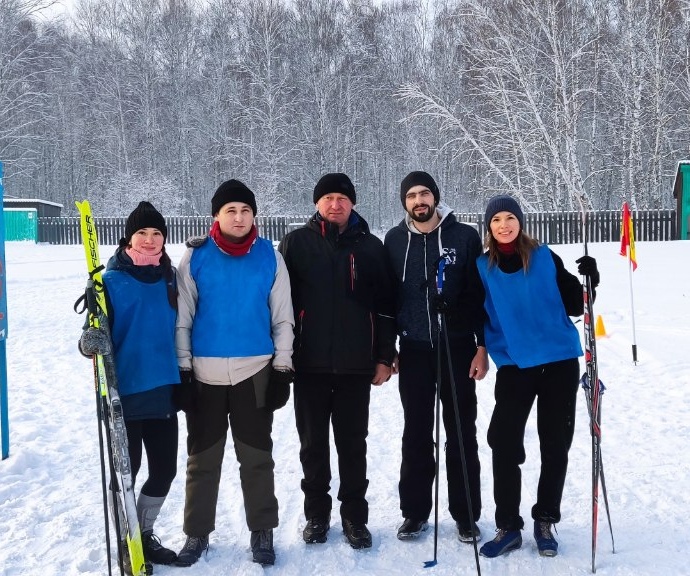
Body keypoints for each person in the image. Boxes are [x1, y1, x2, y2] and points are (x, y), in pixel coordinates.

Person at [174, 179, 294, 567]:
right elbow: (183, 319)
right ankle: (196, 533)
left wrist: (282, 367)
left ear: (254, 215)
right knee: (202, 458)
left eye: (245, 210)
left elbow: (283, 317)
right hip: (205, 374)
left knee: (257, 457)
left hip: (255, 371)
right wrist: (184, 370)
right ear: (216, 216)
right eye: (231, 210)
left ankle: (262, 530)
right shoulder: (195, 258)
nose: (239, 217)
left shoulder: (270, 257)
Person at [475, 195, 599, 558]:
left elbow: (577, 305)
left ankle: (545, 519)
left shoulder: (545, 257)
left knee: (554, 442)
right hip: (515, 364)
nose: (503, 224)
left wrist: (589, 279)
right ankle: (508, 526)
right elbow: (475, 314)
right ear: (489, 226)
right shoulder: (483, 267)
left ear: (520, 221)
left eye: (509, 217)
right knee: (503, 441)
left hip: (558, 360)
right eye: (496, 219)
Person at [277, 172, 397, 550]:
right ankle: (317, 515)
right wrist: (284, 354)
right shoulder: (295, 243)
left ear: (353, 203)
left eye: (342, 198)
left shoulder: (371, 248)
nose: (335, 204)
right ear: (316, 203)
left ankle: (354, 517)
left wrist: (384, 357)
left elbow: (386, 309)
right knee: (312, 445)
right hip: (308, 365)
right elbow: (280, 305)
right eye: (328, 198)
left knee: (352, 445)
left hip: (355, 366)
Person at [384, 171, 488, 543]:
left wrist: (480, 344)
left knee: (461, 433)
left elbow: (479, 294)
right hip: (413, 349)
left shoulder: (464, 236)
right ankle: (414, 513)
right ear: (405, 202)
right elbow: (387, 299)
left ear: (435, 196)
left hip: (456, 348)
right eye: (411, 195)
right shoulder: (394, 241)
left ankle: (465, 514)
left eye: (424, 193)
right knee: (415, 433)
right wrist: (388, 348)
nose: (418, 200)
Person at [79, 201, 180, 573]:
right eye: (143, 233)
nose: (151, 240)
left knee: (165, 471)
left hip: (164, 391)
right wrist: (89, 342)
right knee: (125, 474)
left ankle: (143, 533)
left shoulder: (171, 276)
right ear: (128, 237)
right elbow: (88, 337)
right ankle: (126, 537)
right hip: (124, 394)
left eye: (157, 233)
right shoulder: (108, 281)